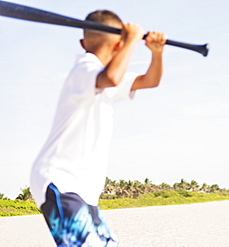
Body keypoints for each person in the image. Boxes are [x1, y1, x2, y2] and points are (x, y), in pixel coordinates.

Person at [30, 10, 166, 246]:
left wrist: (157, 53)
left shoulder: (102, 76)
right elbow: (111, 78)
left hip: (83, 190)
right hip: (59, 180)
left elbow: (149, 81)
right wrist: (133, 40)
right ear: (118, 46)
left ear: (83, 42)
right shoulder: (85, 68)